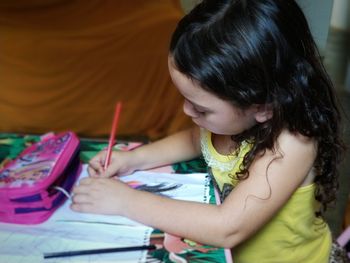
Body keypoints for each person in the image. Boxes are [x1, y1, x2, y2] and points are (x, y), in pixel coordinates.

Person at [71, 0, 345, 262]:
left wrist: (126, 201)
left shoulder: (291, 144)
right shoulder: (236, 119)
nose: (187, 112)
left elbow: (228, 228)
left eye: (201, 109)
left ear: (262, 106)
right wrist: (134, 159)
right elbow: (197, 139)